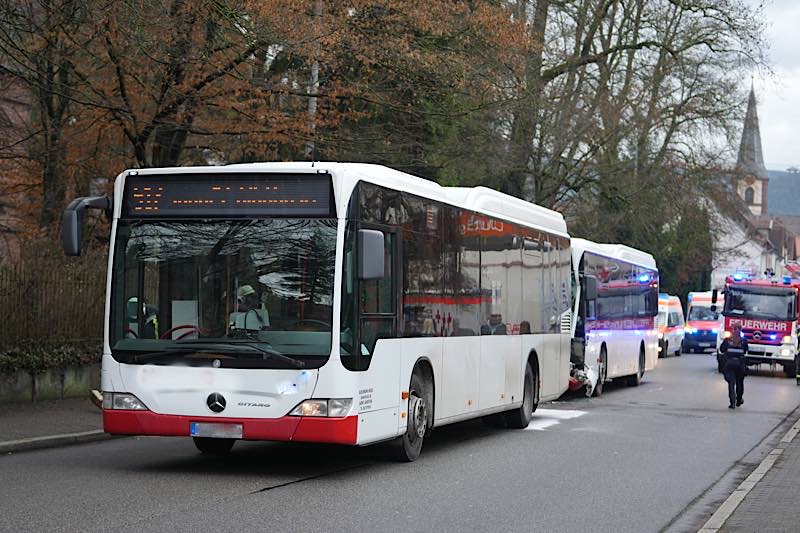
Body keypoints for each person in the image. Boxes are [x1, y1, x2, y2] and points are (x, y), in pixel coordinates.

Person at [719, 323, 748, 409]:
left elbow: (722, 350)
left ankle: (732, 403)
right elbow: (745, 350)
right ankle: (739, 400)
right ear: (741, 330)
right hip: (740, 364)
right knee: (740, 383)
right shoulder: (744, 341)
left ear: (733, 329)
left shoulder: (727, 340)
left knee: (731, 383)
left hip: (729, 364)